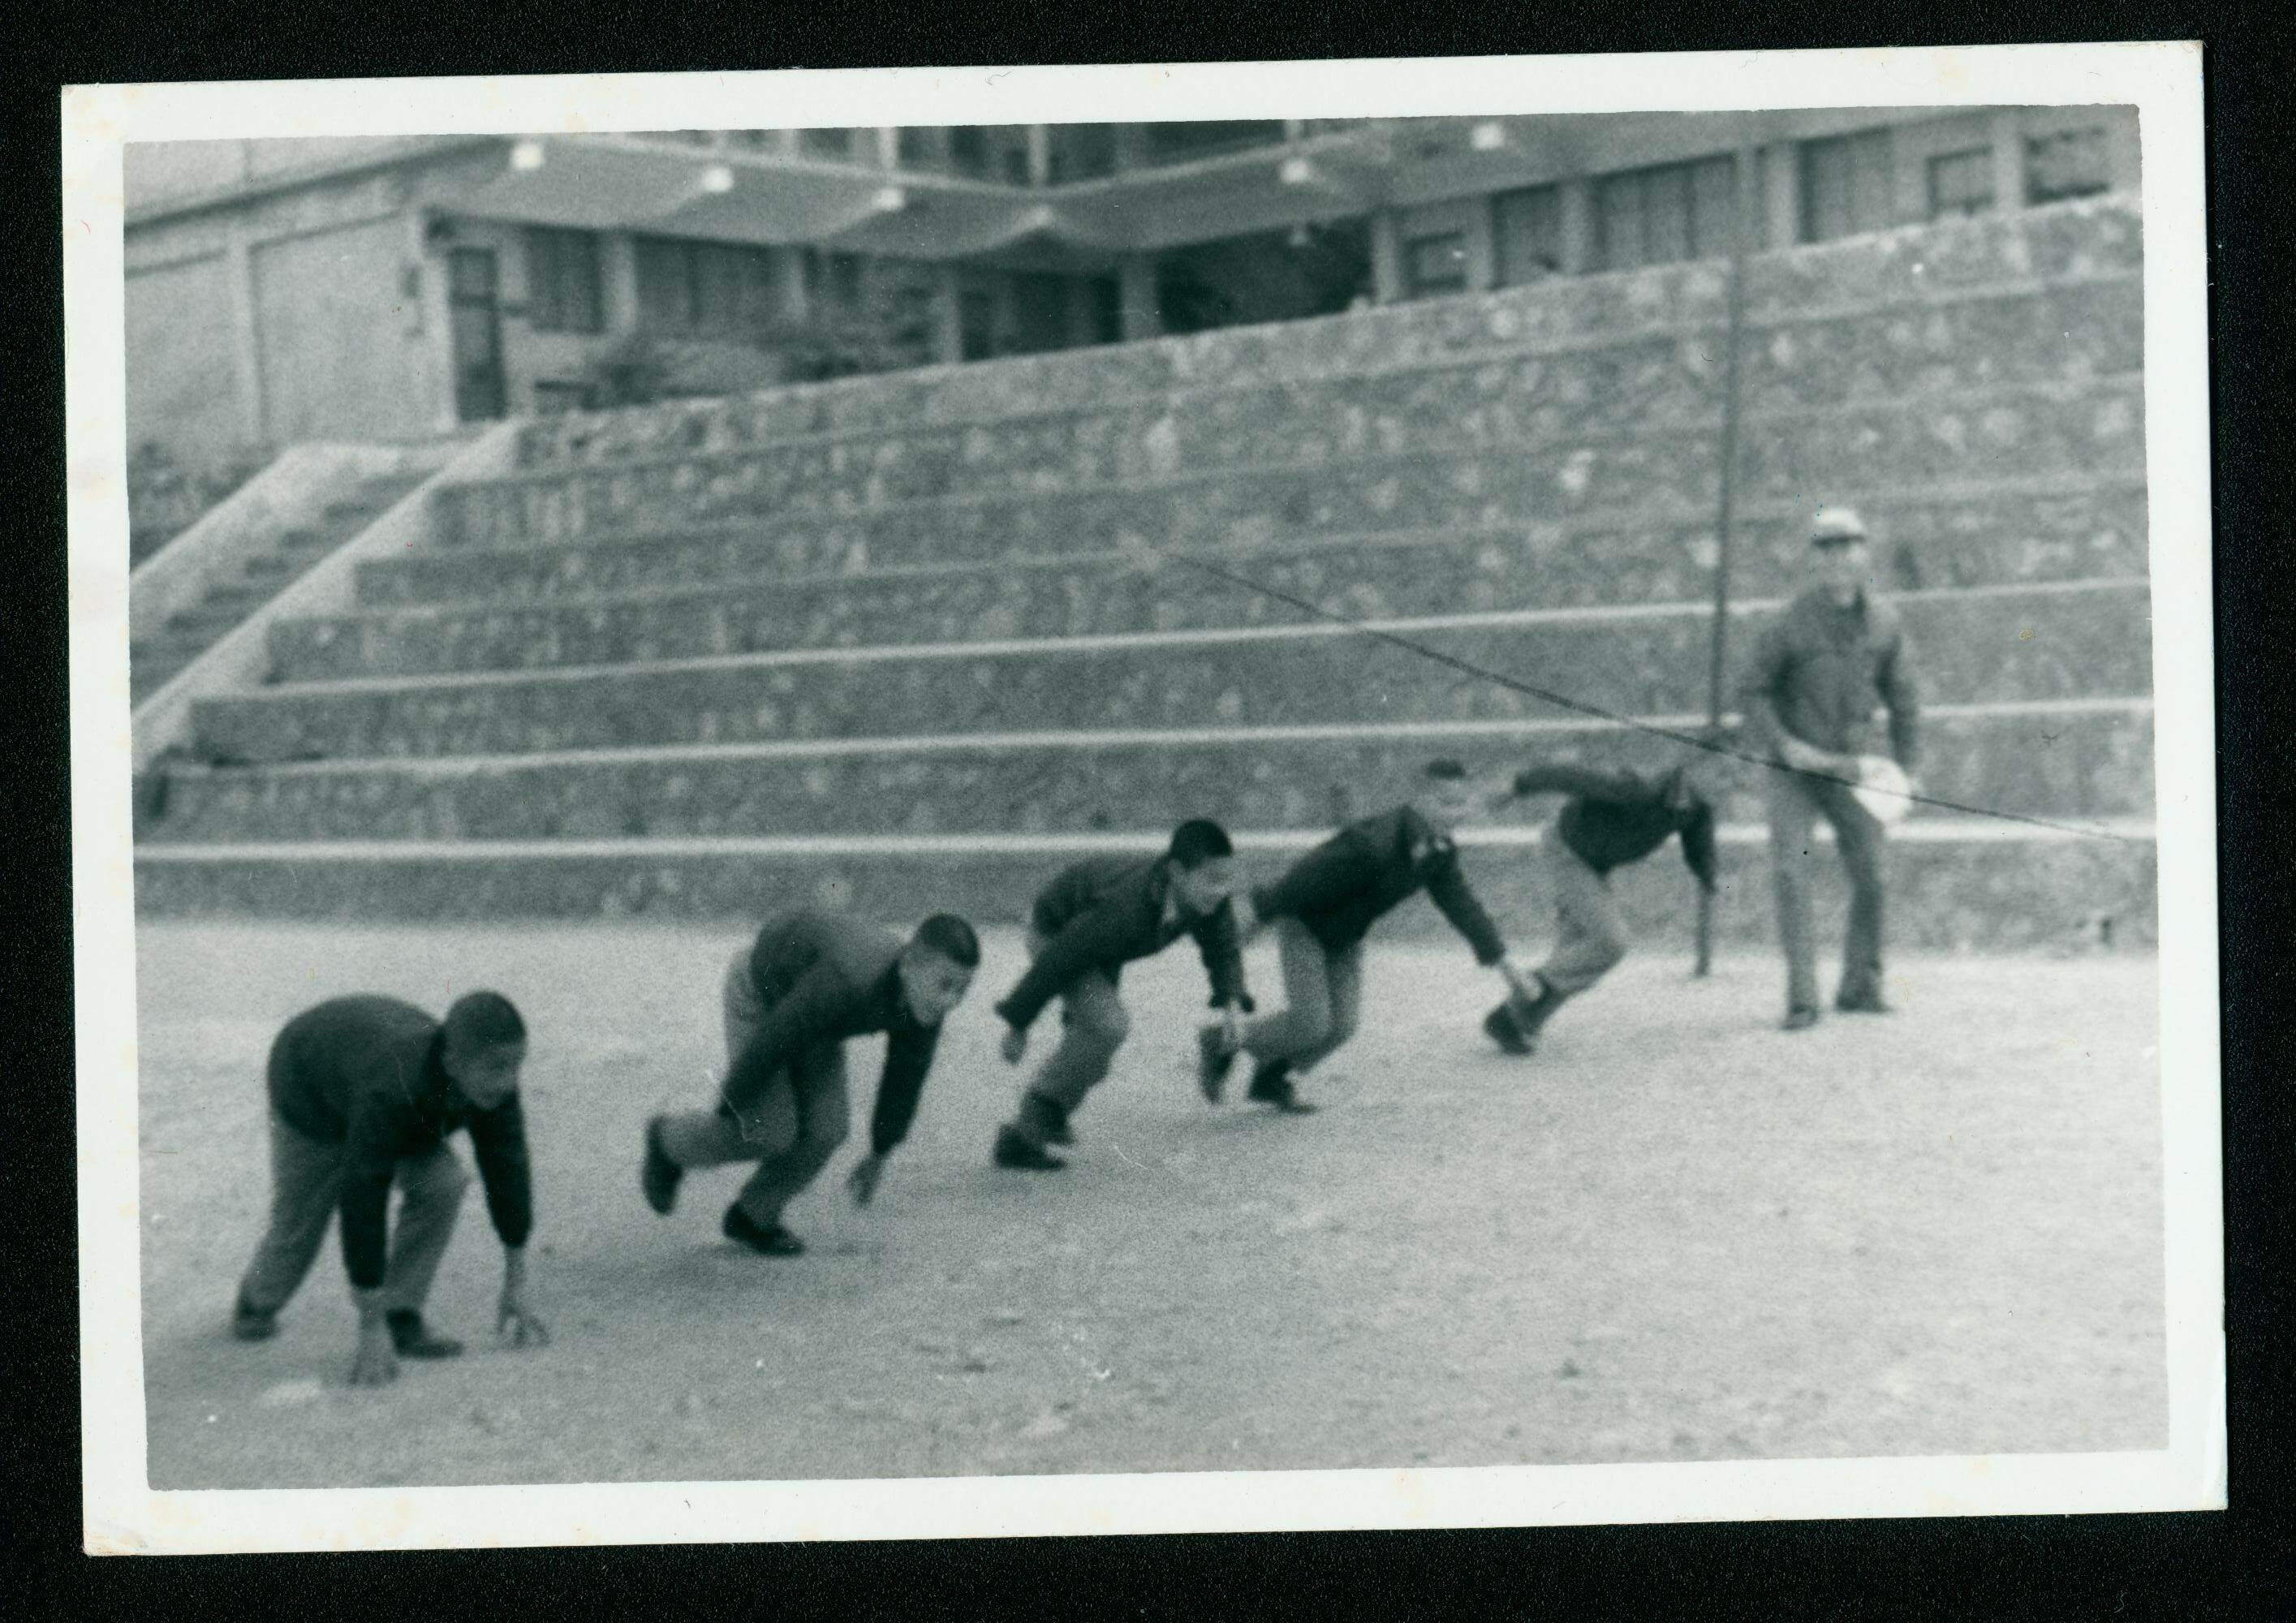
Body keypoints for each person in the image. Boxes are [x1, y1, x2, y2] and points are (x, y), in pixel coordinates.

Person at [230, 991, 548, 1388]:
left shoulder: (490, 1082)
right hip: (308, 1083)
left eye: (516, 1066)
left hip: (387, 1093)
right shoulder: (391, 1088)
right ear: (452, 1062)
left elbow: (508, 1170)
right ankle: (256, 1298)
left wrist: (516, 1279)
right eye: (497, 1067)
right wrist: (368, 1325)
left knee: (443, 1184)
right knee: (299, 1223)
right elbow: (364, 1199)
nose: (509, 1082)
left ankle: (401, 1312)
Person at [642, 911, 979, 1253]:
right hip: (762, 994)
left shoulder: (925, 1006)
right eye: (945, 984)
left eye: (963, 990)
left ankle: (753, 1216)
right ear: (909, 964)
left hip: (815, 1019)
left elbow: (904, 1079)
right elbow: (772, 1043)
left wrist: (880, 1152)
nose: (952, 1001)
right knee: (770, 1132)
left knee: (828, 1131)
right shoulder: (849, 978)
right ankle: (668, 1141)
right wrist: (734, 1104)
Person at [1227, 760, 1540, 1113]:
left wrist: (1506, 965)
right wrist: (1258, 916)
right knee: (1311, 1023)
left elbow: (1462, 907)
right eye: (1446, 803)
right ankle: (1221, 1041)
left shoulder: (1439, 850)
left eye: (1463, 804)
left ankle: (1271, 1078)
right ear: (1419, 800)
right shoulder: (1378, 841)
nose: (1457, 815)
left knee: (1342, 1027)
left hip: (1347, 936)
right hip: (1306, 925)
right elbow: (1307, 875)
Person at [1736, 506, 1923, 1030]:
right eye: (1826, 548)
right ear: (1813, 559)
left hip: (1852, 769)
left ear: (1864, 553)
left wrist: (1907, 767)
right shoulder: (1785, 623)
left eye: (1847, 546)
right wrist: (1781, 743)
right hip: (1793, 770)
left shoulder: (1885, 621)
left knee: (1872, 875)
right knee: (1790, 872)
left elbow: (1904, 699)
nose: (1838, 558)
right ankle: (1801, 997)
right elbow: (1752, 691)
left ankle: (1860, 986)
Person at [991, 820, 1251, 1171]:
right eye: (1212, 879)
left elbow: (1223, 946)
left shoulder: (1205, 898)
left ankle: (1051, 1111)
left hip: (1101, 949)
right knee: (1107, 1027)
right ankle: (1020, 1137)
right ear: (1177, 872)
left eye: (1227, 879)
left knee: (1095, 1053)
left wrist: (1232, 1003)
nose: (1221, 891)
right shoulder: (1125, 907)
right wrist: (1018, 1023)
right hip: (1057, 932)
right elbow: (1061, 958)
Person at [1480, 747, 1720, 1055]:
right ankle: (1530, 987)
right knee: (1610, 942)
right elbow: (1570, 776)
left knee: (1575, 955)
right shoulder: (1640, 787)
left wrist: (1711, 879)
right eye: (1717, 770)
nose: (1722, 781)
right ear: (1690, 767)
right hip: (1565, 851)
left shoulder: (1697, 808)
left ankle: (1513, 1023)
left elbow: (1699, 845)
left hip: (1594, 866)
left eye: (1729, 774)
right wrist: (1517, 786)